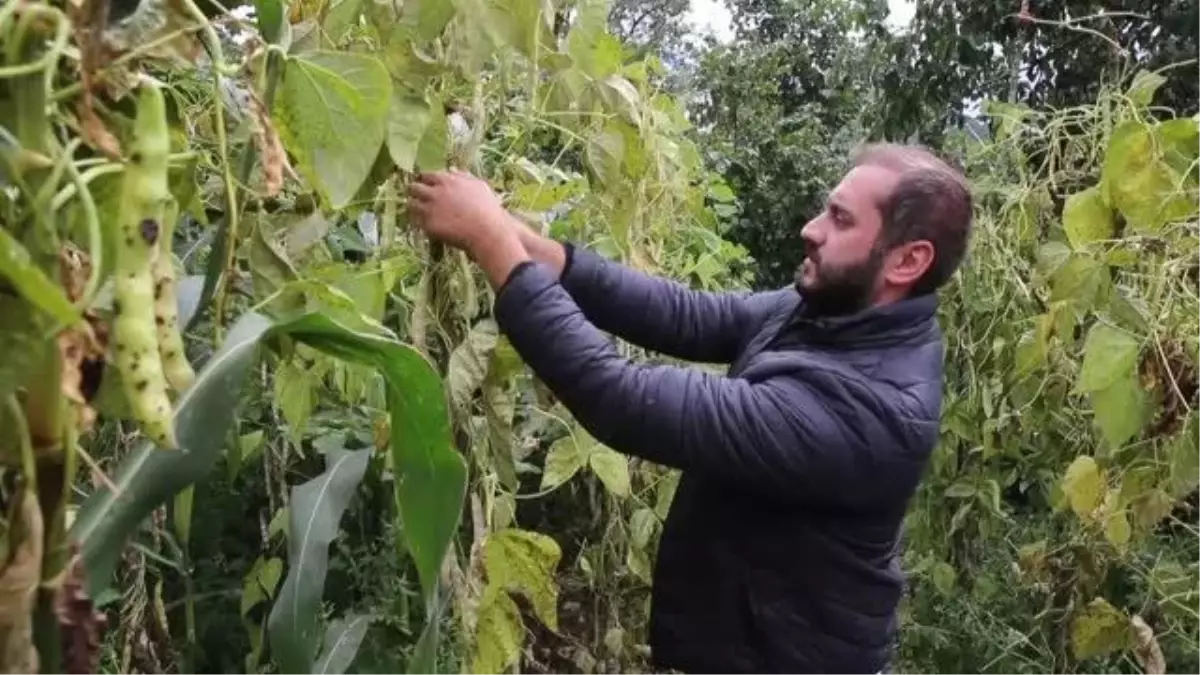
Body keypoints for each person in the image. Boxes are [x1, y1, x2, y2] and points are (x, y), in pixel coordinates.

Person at [407, 142, 973, 675]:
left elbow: (623, 398)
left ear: (907, 261)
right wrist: (534, 248)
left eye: (842, 220)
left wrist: (491, 242)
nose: (812, 229)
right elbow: (689, 315)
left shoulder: (871, 412)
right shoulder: (831, 310)